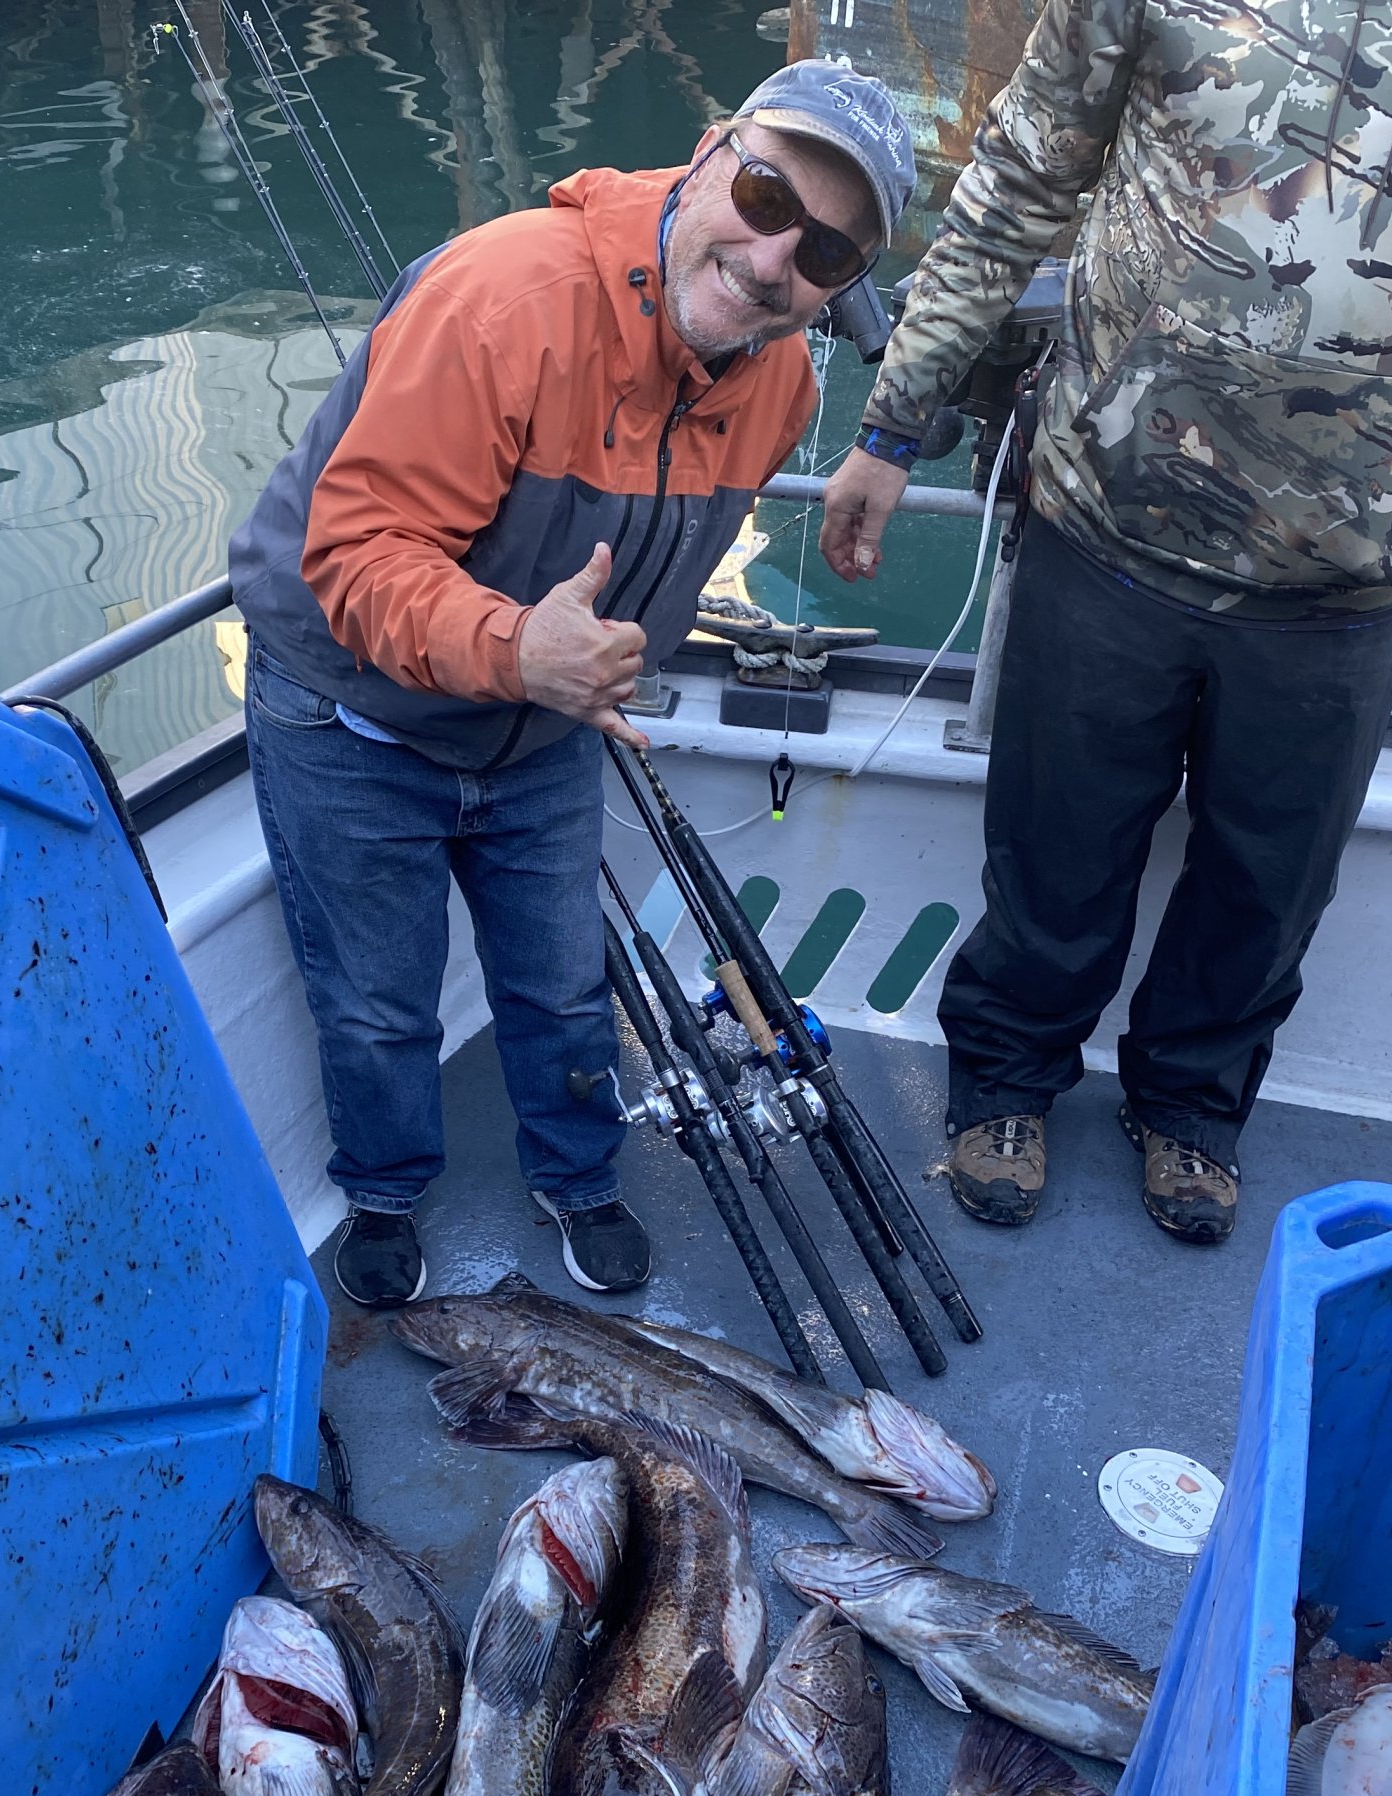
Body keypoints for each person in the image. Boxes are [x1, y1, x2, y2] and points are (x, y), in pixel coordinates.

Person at [819, 0, 1392, 1243]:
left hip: (1349, 568)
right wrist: (894, 422)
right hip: (1103, 517)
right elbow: (1022, 173)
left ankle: (1192, 1104)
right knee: (1053, 845)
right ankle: (1004, 1081)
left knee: (1269, 882)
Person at [230, 62, 919, 1306]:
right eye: (764, 196)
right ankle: (383, 1190)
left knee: (562, 986)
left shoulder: (780, 384)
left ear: (843, 285)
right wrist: (516, 650)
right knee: (377, 1002)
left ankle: (578, 1176)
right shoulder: (502, 299)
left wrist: (561, 668)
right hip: (349, 713)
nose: (772, 260)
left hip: (544, 728)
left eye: (824, 251)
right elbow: (356, 552)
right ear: (707, 155)